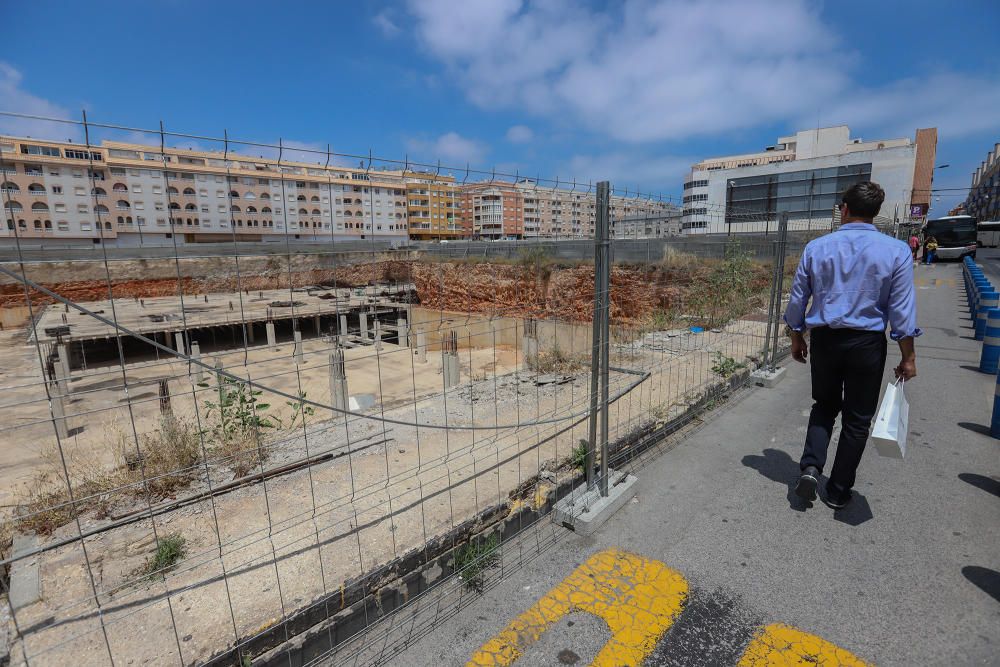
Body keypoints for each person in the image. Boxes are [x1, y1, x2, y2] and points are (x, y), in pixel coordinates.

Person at [784, 181, 920, 509]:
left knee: (824, 405)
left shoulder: (817, 248)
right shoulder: (897, 250)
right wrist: (909, 357)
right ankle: (839, 490)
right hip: (867, 344)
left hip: (827, 340)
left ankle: (812, 467)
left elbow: (798, 299)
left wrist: (796, 336)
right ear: (875, 213)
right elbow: (901, 311)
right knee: (857, 418)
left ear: (844, 209)